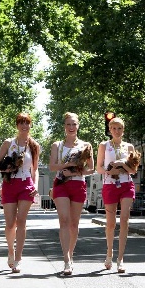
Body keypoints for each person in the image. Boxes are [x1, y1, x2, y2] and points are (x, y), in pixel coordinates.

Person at [0, 113, 40, 273]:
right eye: (21, 123)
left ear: (30, 125)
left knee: (21, 221)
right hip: (9, 184)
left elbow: (35, 169)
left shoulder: (34, 145)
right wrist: (7, 168)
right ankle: (10, 251)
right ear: (17, 125)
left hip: (26, 184)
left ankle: (19, 258)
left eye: (27, 123)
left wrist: (35, 185)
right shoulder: (9, 143)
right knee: (10, 223)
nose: (24, 126)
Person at [49, 112, 94, 276]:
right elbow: (52, 166)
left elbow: (91, 169)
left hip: (78, 184)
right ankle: (66, 259)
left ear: (78, 125)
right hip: (61, 184)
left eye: (74, 124)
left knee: (74, 224)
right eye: (68, 124)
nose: (71, 127)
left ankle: (71, 253)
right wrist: (67, 165)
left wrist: (75, 173)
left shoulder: (85, 145)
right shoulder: (57, 145)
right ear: (64, 127)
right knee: (64, 220)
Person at [96, 117, 137, 273]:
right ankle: (109, 253)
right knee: (111, 222)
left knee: (124, 220)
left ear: (123, 130)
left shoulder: (129, 146)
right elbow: (98, 168)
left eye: (119, 128)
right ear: (109, 130)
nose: (116, 131)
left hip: (126, 184)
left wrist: (121, 164)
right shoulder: (104, 146)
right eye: (114, 128)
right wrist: (109, 171)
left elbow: (133, 170)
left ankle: (120, 259)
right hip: (110, 184)